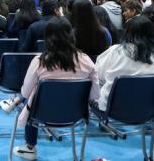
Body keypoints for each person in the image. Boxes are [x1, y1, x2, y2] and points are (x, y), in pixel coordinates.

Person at [12, 18, 99, 160]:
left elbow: (25, 92)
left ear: (47, 37)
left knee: (29, 100)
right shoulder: (86, 60)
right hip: (76, 114)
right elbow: (95, 94)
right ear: (71, 35)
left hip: (41, 114)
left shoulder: (39, 61)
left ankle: (30, 147)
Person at [95, 15, 154, 112]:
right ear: (152, 34)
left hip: (113, 110)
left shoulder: (115, 51)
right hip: (148, 111)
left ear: (127, 32)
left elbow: (98, 75)